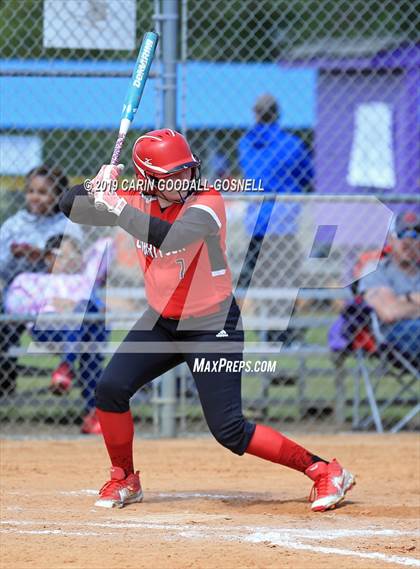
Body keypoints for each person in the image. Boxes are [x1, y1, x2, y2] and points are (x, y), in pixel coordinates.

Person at [60, 128, 354, 511]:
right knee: (110, 391)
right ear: (148, 179)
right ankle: (125, 478)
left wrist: (117, 207)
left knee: (229, 430)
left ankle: (324, 470)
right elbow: (69, 205)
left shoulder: (207, 201)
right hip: (162, 322)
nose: (184, 181)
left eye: (187, 171)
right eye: (172, 176)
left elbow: (170, 237)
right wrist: (95, 185)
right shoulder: (135, 197)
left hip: (212, 326)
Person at [4, 234, 110, 434]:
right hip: (48, 327)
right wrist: (50, 303)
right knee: (88, 342)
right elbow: (13, 306)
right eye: (62, 254)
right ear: (47, 258)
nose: (69, 260)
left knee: (86, 316)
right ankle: (94, 414)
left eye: (74, 255)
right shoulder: (30, 279)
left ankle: (66, 369)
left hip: (83, 331)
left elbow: (100, 310)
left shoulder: (83, 281)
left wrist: (75, 307)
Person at [0, 165, 83, 397]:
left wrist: (46, 258)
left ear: (58, 195)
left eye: (43, 192)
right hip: (19, 296)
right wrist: (15, 255)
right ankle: (5, 391)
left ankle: (71, 375)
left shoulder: (66, 224)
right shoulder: (14, 225)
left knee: (81, 319)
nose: (35, 197)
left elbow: (74, 266)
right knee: (3, 327)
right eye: (31, 191)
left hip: (54, 296)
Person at [237, 94, 314, 344]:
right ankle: (281, 335)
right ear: (277, 114)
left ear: (256, 114)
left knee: (253, 282)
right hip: (284, 224)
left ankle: (236, 330)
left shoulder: (245, 144)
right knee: (285, 282)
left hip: (257, 223)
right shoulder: (291, 144)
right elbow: (308, 177)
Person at [358, 210, 420, 365]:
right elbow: (390, 312)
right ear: (391, 240)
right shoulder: (376, 270)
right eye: (402, 235)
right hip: (395, 338)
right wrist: (412, 297)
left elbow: (396, 307)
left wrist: (403, 300)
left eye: (415, 236)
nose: (408, 242)